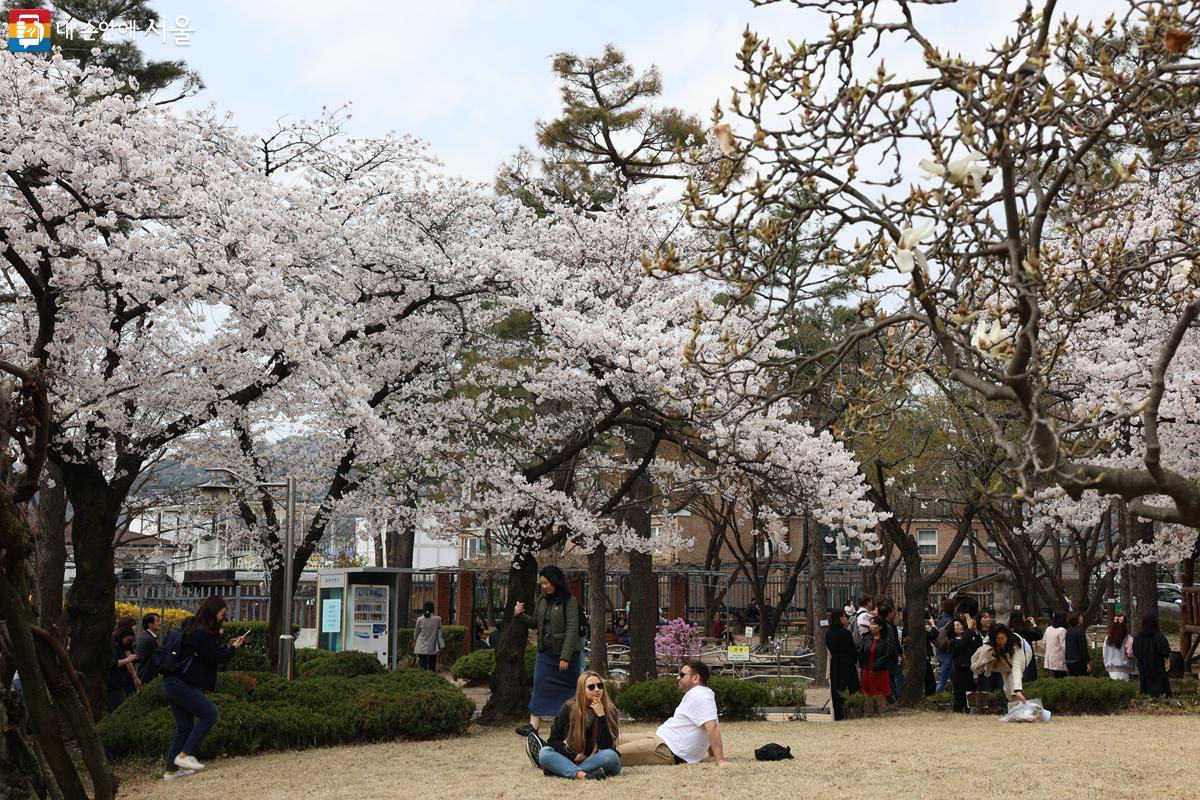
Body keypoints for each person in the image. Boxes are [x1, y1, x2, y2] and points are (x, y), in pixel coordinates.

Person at [161, 596, 248, 780]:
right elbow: (214, 657)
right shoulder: (202, 632)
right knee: (210, 714)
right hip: (180, 683)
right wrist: (233, 649)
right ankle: (185, 756)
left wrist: (227, 646)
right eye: (222, 614)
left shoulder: (194, 628)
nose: (222, 618)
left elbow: (209, 653)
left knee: (184, 726)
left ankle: (171, 771)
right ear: (213, 611)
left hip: (171, 682)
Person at [619, 660, 731, 768]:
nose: (678, 678)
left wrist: (720, 760)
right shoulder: (697, 694)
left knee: (613, 754)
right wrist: (711, 755)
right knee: (610, 740)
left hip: (665, 750)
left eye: (682, 675)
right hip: (657, 739)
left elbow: (712, 727)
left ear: (695, 678)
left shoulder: (702, 696)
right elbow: (706, 726)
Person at [514, 565, 581, 737]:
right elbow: (535, 622)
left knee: (572, 690)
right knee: (539, 685)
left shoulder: (569, 601)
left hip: (566, 655)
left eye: (546, 583)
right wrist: (520, 615)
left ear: (555, 581)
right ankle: (533, 726)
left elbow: (572, 630)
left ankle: (575, 723)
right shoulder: (542, 600)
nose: (544, 586)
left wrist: (565, 657)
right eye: (542, 583)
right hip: (545, 653)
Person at [535, 671, 621, 781]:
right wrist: (573, 756)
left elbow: (605, 747)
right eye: (591, 687)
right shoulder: (569, 708)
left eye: (600, 685)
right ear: (582, 690)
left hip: (600, 760)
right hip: (577, 759)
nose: (597, 689)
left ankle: (558, 769)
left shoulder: (610, 710)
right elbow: (554, 740)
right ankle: (583, 776)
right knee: (544, 753)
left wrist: (601, 716)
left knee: (611, 756)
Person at [971, 624, 1030, 703]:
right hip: (1003, 664)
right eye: (998, 639)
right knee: (1007, 689)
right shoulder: (988, 644)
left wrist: (1018, 690)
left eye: (1003, 638)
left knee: (1013, 684)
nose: (1001, 642)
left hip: (1023, 656)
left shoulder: (1016, 643)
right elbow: (976, 659)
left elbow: (1016, 667)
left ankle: (1017, 708)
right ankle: (1018, 706)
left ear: (1007, 636)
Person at [857, 615, 896, 715]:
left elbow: (887, 656)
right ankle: (868, 713)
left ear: (881, 626)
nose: (871, 626)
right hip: (867, 670)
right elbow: (861, 652)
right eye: (871, 624)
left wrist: (876, 666)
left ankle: (882, 712)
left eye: (874, 624)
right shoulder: (867, 639)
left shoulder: (886, 641)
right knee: (867, 693)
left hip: (880, 671)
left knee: (880, 693)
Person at [826, 609, 860, 721]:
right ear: (840, 618)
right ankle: (850, 712)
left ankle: (838, 715)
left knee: (837, 690)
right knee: (850, 688)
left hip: (835, 664)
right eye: (844, 617)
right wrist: (856, 658)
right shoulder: (846, 633)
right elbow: (852, 650)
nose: (846, 619)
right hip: (847, 664)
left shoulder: (829, 634)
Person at [1131, 614, 1171, 698]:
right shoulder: (1159, 637)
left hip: (1144, 670)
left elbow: (1135, 652)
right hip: (1158, 671)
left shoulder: (1138, 638)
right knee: (1160, 695)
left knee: (1146, 694)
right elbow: (1165, 651)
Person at [948, 617, 982, 713]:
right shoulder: (952, 641)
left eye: (961, 624)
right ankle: (958, 711)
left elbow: (978, 646)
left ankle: (970, 711)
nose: (961, 626)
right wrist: (970, 630)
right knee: (960, 694)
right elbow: (961, 645)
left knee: (971, 691)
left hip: (970, 669)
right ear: (953, 629)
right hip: (959, 670)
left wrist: (975, 631)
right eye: (957, 625)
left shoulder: (968, 638)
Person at [108, 626, 139, 711]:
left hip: (119, 683)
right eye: (128, 640)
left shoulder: (121, 647)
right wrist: (128, 659)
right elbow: (114, 663)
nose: (127, 643)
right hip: (113, 684)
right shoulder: (114, 647)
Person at [1008, 613, 1043, 684]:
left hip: (1013, 659)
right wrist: (1034, 624)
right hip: (1027, 658)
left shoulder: (1009, 631)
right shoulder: (1025, 631)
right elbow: (1039, 635)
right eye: (1023, 617)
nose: (1024, 618)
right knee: (1028, 680)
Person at [878, 603, 903, 702]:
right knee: (896, 681)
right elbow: (893, 643)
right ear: (889, 614)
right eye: (893, 611)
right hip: (891, 659)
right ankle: (896, 699)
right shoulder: (887, 627)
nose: (895, 613)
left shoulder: (888, 626)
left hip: (889, 658)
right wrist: (898, 656)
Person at [1102, 613, 1137, 682]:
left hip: (1111, 668)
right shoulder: (1127, 638)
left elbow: (1104, 653)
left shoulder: (1108, 638)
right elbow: (1130, 653)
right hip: (1123, 668)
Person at [933, 599, 956, 693]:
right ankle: (936, 698)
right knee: (943, 681)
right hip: (948, 653)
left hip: (940, 651)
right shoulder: (950, 621)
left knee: (949, 679)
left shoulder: (941, 620)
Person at [413, 601, 443, 671]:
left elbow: (416, 633)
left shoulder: (420, 619)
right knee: (432, 667)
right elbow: (440, 631)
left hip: (421, 646)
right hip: (433, 646)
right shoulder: (438, 619)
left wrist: (414, 640)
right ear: (433, 609)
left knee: (423, 666)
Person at [135, 613, 162, 684]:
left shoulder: (146, 636)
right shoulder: (149, 639)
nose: (160, 623)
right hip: (148, 677)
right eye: (157, 621)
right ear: (150, 624)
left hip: (143, 675)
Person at [1065, 612, 1091, 676]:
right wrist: (1087, 662)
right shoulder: (1080, 631)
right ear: (1077, 619)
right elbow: (1083, 647)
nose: (1082, 618)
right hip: (1078, 660)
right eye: (1080, 617)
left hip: (1069, 659)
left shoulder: (1068, 631)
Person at [1043, 612, 1068, 678]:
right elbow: (1064, 646)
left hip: (1050, 659)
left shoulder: (1048, 629)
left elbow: (1044, 643)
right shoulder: (1062, 630)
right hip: (1059, 660)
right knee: (1061, 678)